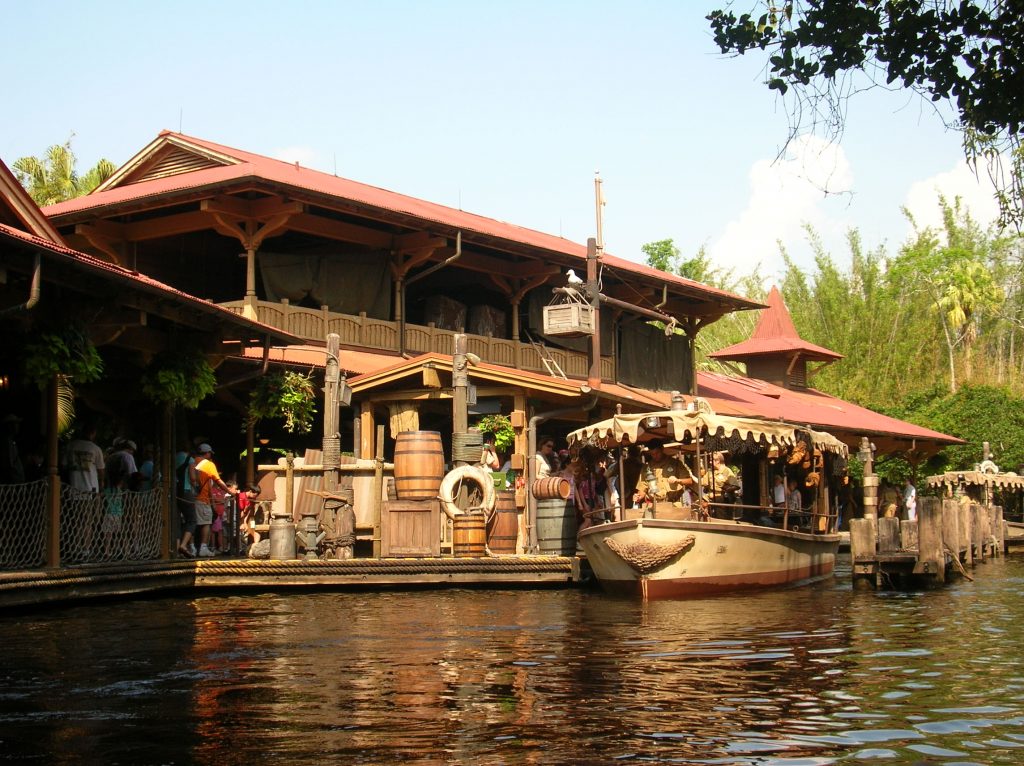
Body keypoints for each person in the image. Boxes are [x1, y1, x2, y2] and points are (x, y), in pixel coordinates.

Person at [192, 443, 239, 558]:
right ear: (207, 453)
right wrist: (230, 492)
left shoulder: (193, 461)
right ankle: (203, 547)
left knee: (192, 522)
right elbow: (218, 480)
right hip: (202, 498)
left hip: (191, 496)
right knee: (206, 523)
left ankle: (192, 546)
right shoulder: (208, 464)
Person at [633, 440, 688, 507]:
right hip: (654, 505)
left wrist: (678, 480)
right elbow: (642, 488)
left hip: (673, 504)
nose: (655, 456)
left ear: (662, 450)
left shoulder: (675, 463)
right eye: (652, 454)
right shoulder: (646, 468)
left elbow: (689, 481)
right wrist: (638, 497)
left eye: (657, 453)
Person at [175, 443, 198, 557]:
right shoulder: (190, 459)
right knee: (192, 519)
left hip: (174, 492)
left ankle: (176, 547)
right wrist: (196, 488)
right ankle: (183, 545)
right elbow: (193, 478)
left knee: (177, 521)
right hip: (186, 490)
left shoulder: (172, 458)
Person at [0, 413, 25, 484]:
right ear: (9, 426)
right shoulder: (6, 442)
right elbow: (8, 465)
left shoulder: (12, 441)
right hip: (12, 484)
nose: (18, 426)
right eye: (16, 424)